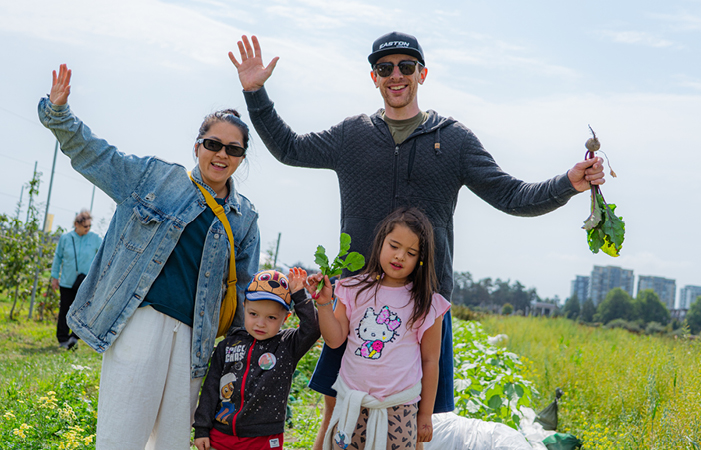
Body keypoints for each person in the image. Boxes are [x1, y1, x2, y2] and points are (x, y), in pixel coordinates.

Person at [229, 31, 606, 449]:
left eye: (406, 67)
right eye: (384, 68)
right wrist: (255, 92)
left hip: (423, 308)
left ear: (421, 74)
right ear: (373, 77)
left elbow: (510, 195)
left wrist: (568, 183)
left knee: (415, 424)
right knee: (335, 414)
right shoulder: (352, 135)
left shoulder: (455, 140)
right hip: (357, 300)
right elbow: (288, 148)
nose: (396, 75)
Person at [38, 64, 261, 450]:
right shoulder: (154, 178)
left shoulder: (245, 220)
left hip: (195, 339)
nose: (221, 154)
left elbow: (242, 293)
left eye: (233, 149)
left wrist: (241, 356)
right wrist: (60, 115)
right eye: (213, 144)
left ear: (241, 157)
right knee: (120, 436)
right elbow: (97, 156)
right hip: (140, 325)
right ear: (197, 146)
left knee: (171, 443)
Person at [307, 207, 449, 449]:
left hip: (400, 408)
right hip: (352, 404)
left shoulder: (427, 303)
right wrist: (323, 305)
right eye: (394, 246)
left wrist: (425, 414)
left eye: (411, 252)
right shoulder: (353, 288)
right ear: (380, 243)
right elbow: (335, 340)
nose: (400, 256)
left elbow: (430, 361)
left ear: (420, 258)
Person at [193, 268, 320, 450]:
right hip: (222, 435)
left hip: (263, 438)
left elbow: (313, 328)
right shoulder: (228, 345)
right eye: (254, 314)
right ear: (244, 307)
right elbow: (211, 388)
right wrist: (201, 429)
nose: (260, 323)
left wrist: (299, 294)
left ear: (285, 318)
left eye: (271, 317)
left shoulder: (287, 345)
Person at [50, 209, 102, 349]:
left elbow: (103, 254)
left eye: (89, 226)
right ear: (76, 224)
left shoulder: (95, 238)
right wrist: (54, 276)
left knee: (82, 310)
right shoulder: (66, 238)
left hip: (85, 282)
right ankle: (62, 339)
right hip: (67, 281)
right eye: (85, 226)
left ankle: (74, 337)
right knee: (65, 310)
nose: (88, 229)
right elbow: (58, 257)